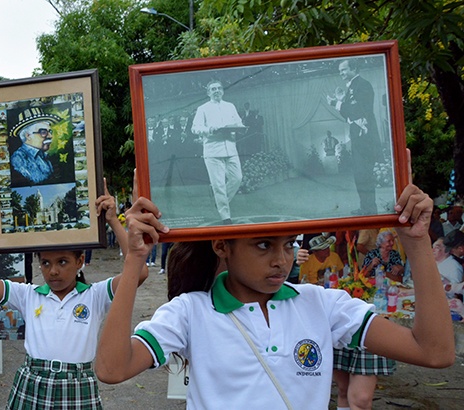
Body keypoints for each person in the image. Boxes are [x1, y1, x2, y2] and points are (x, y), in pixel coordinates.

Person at [94, 178, 455, 409]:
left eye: (288, 244)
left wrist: (418, 243)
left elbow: (435, 352)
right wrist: (134, 261)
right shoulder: (189, 312)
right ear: (222, 245)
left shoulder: (323, 305)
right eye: (264, 245)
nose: (281, 261)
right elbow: (111, 369)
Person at [0, 179, 148, 409]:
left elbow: (139, 272)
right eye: (45, 263)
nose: (53, 271)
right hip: (33, 383)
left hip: (78, 385)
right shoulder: (28, 295)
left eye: (62, 262)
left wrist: (112, 219)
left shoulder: (95, 295)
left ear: (80, 261)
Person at [328, 59, 382, 215]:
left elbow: (357, 110)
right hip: (358, 137)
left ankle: (370, 210)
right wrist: (339, 102)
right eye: (340, 71)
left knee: (365, 175)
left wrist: (335, 103)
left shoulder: (362, 85)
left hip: (365, 138)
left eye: (344, 70)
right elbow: (348, 115)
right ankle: (365, 208)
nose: (341, 73)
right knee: (360, 175)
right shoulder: (353, 86)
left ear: (354, 68)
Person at [191, 80, 245, 224]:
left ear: (223, 91)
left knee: (237, 178)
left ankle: (220, 202)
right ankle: (225, 217)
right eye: (213, 89)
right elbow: (195, 128)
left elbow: (238, 123)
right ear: (208, 92)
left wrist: (240, 127)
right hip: (213, 151)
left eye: (219, 88)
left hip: (231, 148)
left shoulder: (230, 106)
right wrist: (209, 129)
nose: (216, 91)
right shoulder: (203, 108)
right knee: (219, 185)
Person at [10, 107, 63, 186]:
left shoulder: (45, 156)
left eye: (50, 132)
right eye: (43, 132)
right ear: (28, 135)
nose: (50, 136)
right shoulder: (18, 158)